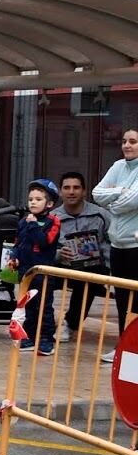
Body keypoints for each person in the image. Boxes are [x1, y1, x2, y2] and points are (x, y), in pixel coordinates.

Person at [52, 171, 113, 352]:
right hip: (61, 267)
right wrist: (58, 254)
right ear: (61, 192)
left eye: (76, 187)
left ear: (84, 191)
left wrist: (106, 260)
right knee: (38, 276)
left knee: (89, 277)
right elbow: (40, 247)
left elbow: (115, 240)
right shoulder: (52, 218)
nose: (71, 192)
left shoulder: (100, 215)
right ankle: (40, 324)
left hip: (94, 269)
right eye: (67, 188)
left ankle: (70, 323)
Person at [93, 128, 138, 362]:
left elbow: (131, 201)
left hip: (136, 245)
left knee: (137, 301)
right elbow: (97, 193)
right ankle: (123, 347)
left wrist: (115, 202)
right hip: (117, 245)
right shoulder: (118, 166)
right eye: (124, 141)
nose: (127, 146)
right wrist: (120, 191)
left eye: (133, 141)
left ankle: (135, 351)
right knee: (121, 300)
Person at [9, 178, 62, 358]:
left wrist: (33, 225)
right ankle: (29, 337)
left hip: (43, 272)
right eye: (31, 199)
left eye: (38, 199)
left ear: (50, 203)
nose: (33, 202)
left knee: (44, 307)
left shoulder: (53, 221)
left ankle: (46, 338)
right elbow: (18, 243)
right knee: (28, 306)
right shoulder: (23, 221)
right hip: (25, 272)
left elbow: (45, 241)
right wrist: (14, 257)